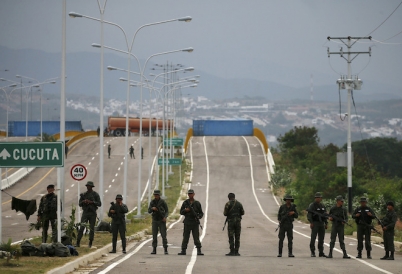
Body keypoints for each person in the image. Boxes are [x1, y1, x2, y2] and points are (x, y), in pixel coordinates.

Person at [178, 189, 204, 256]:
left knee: (196, 237)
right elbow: (181, 212)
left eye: (191, 194)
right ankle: (183, 250)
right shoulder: (185, 203)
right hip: (187, 222)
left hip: (194, 222)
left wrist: (198, 217)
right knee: (185, 237)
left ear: (194, 194)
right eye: (189, 194)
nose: (190, 195)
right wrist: (186, 210)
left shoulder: (197, 203)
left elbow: (201, 213)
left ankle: (199, 250)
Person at [76, 181, 102, 248]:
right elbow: (79, 204)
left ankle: (90, 242)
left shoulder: (95, 194)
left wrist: (91, 202)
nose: (88, 187)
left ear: (92, 187)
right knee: (82, 227)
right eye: (87, 186)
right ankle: (78, 242)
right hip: (85, 212)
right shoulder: (84, 195)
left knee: (91, 228)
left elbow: (99, 204)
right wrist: (84, 201)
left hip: (92, 213)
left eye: (89, 186)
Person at [307, 192, 328, 257]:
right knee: (313, 238)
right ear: (315, 198)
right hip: (315, 223)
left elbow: (325, 215)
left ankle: (321, 252)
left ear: (321, 198)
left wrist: (326, 223)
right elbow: (309, 215)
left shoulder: (322, 206)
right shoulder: (312, 205)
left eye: (319, 197)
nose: (318, 199)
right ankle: (312, 252)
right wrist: (311, 222)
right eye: (317, 197)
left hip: (321, 223)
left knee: (321, 238)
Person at [148, 189, 169, 255]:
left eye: (157, 195)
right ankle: (154, 249)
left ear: (159, 195)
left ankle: (165, 249)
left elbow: (167, 211)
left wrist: (165, 217)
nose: (156, 196)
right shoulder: (152, 202)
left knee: (163, 235)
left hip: (161, 220)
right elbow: (149, 211)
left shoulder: (162, 202)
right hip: (155, 220)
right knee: (154, 235)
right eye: (155, 195)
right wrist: (152, 209)